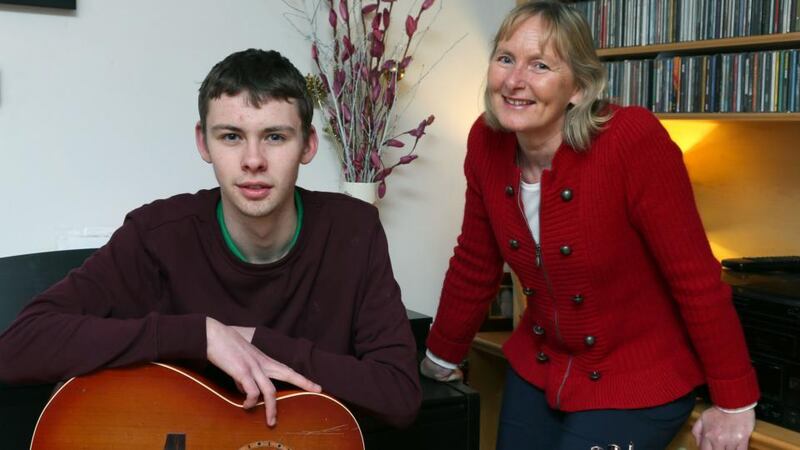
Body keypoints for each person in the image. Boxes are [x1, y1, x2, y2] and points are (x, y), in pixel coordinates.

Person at [0, 48, 421, 429]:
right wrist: (200, 335)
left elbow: (399, 396)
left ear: (308, 145)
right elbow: (18, 347)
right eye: (231, 137)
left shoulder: (354, 230)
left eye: (275, 137)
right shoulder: (156, 235)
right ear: (203, 142)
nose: (253, 161)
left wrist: (252, 340)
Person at [419, 2, 759, 449]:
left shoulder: (632, 141)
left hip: (637, 375)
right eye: (506, 58)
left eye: (540, 65)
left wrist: (734, 401)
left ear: (578, 87)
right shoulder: (485, 141)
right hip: (543, 365)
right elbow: (475, 262)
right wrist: (439, 355)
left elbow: (695, 278)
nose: (514, 80)